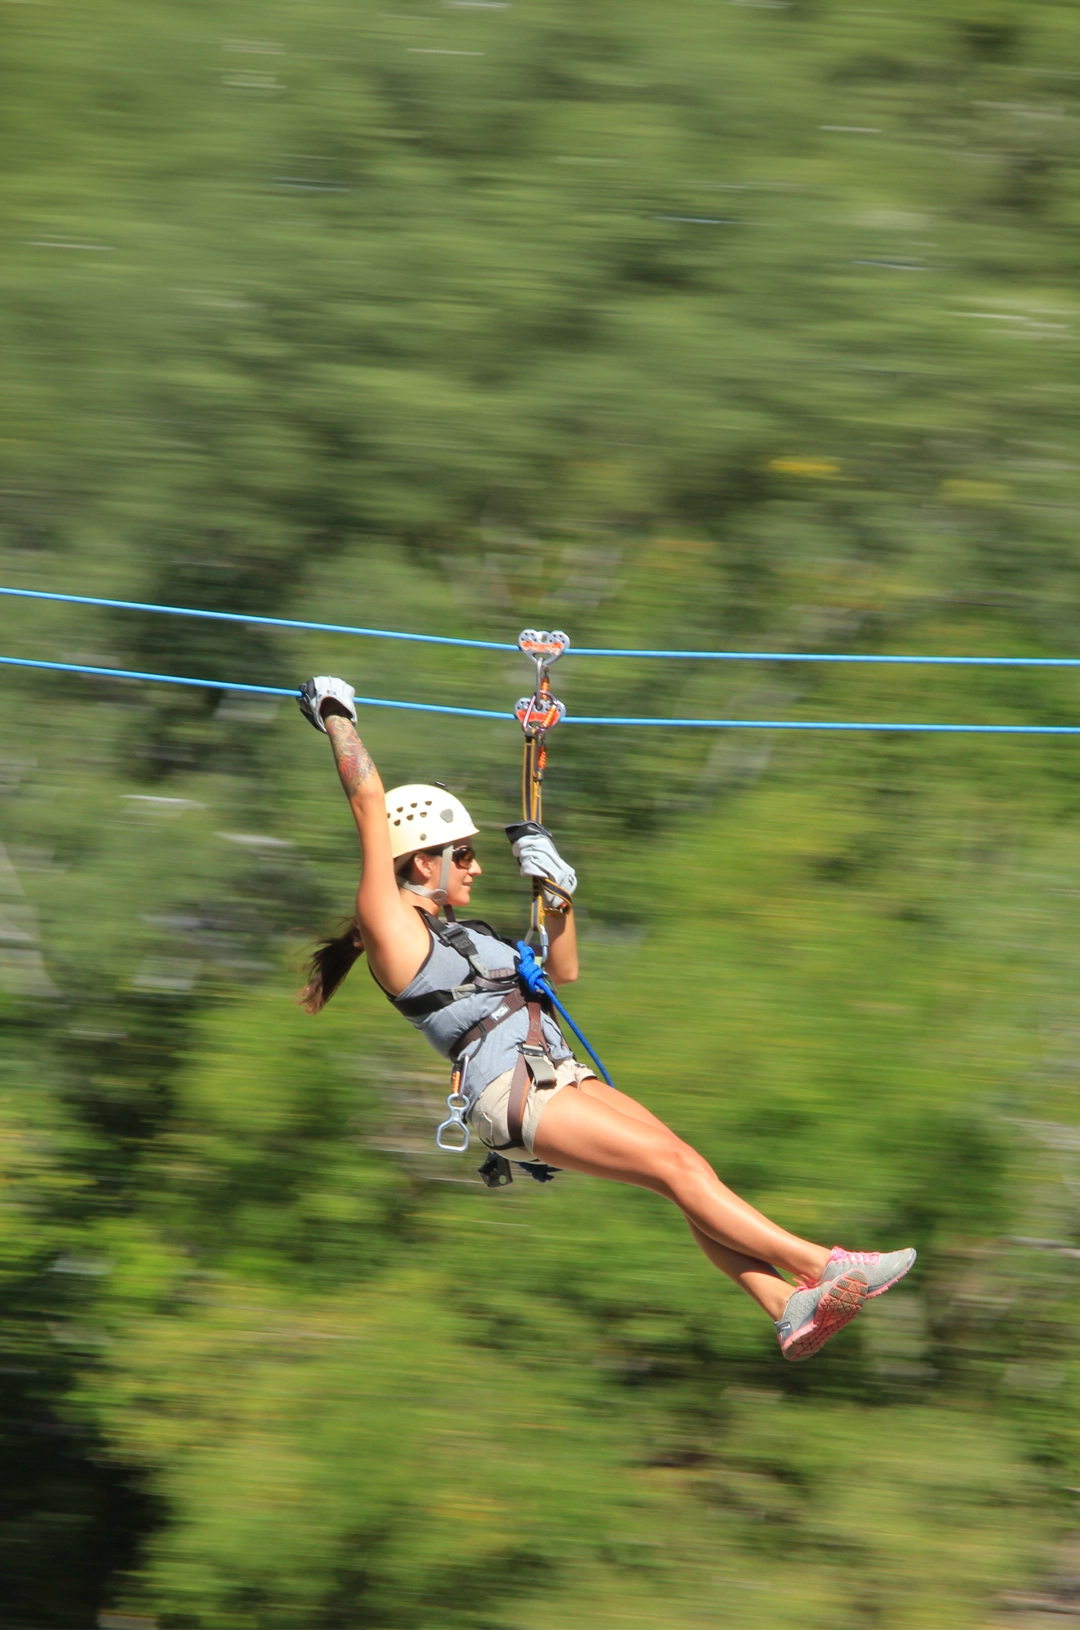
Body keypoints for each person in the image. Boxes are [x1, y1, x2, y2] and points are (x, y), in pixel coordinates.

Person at [297, 675, 915, 1361]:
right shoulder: (393, 929)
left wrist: (558, 896)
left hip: (555, 1074)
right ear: (417, 863)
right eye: (461, 855)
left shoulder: (472, 935)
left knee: (686, 1171)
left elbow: (562, 971)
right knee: (675, 1169)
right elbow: (366, 799)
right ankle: (823, 1267)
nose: (474, 868)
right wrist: (335, 717)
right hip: (513, 1092)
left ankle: (785, 1306)